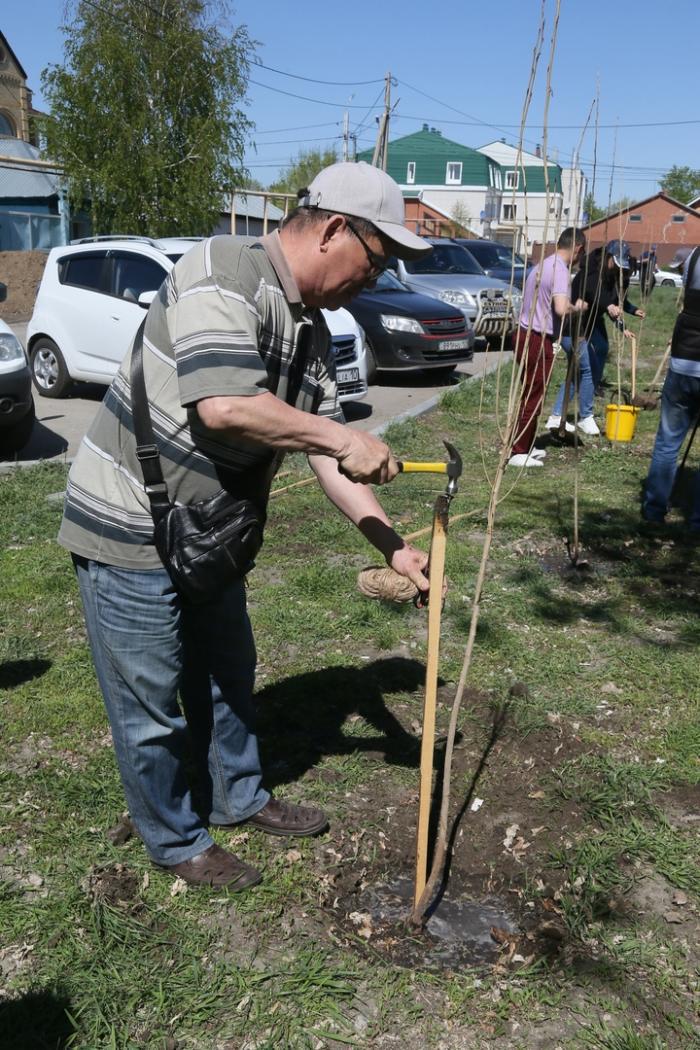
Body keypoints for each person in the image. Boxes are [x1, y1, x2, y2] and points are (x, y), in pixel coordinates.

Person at [58, 161, 434, 891]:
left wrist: (394, 546)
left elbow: (329, 461)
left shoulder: (313, 331)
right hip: (128, 524)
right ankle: (174, 839)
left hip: (209, 535)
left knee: (229, 674)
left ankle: (238, 796)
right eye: (378, 260)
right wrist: (341, 438)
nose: (378, 279)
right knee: (150, 702)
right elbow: (224, 405)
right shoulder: (221, 270)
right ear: (333, 229)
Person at [508, 227, 587, 468]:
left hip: (522, 333)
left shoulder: (543, 264)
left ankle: (525, 444)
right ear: (578, 249)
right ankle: (518, 451)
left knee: (530, 392)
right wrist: (578, 307)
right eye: (581, 254)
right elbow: (562, 309)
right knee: (534, 394)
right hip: (536, 339)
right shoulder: (561, 270)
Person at [642, 245, 700, 530]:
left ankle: (654, 509)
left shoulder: (693, 258)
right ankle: (697, 519)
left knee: (667, 442)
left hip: (682, 365)